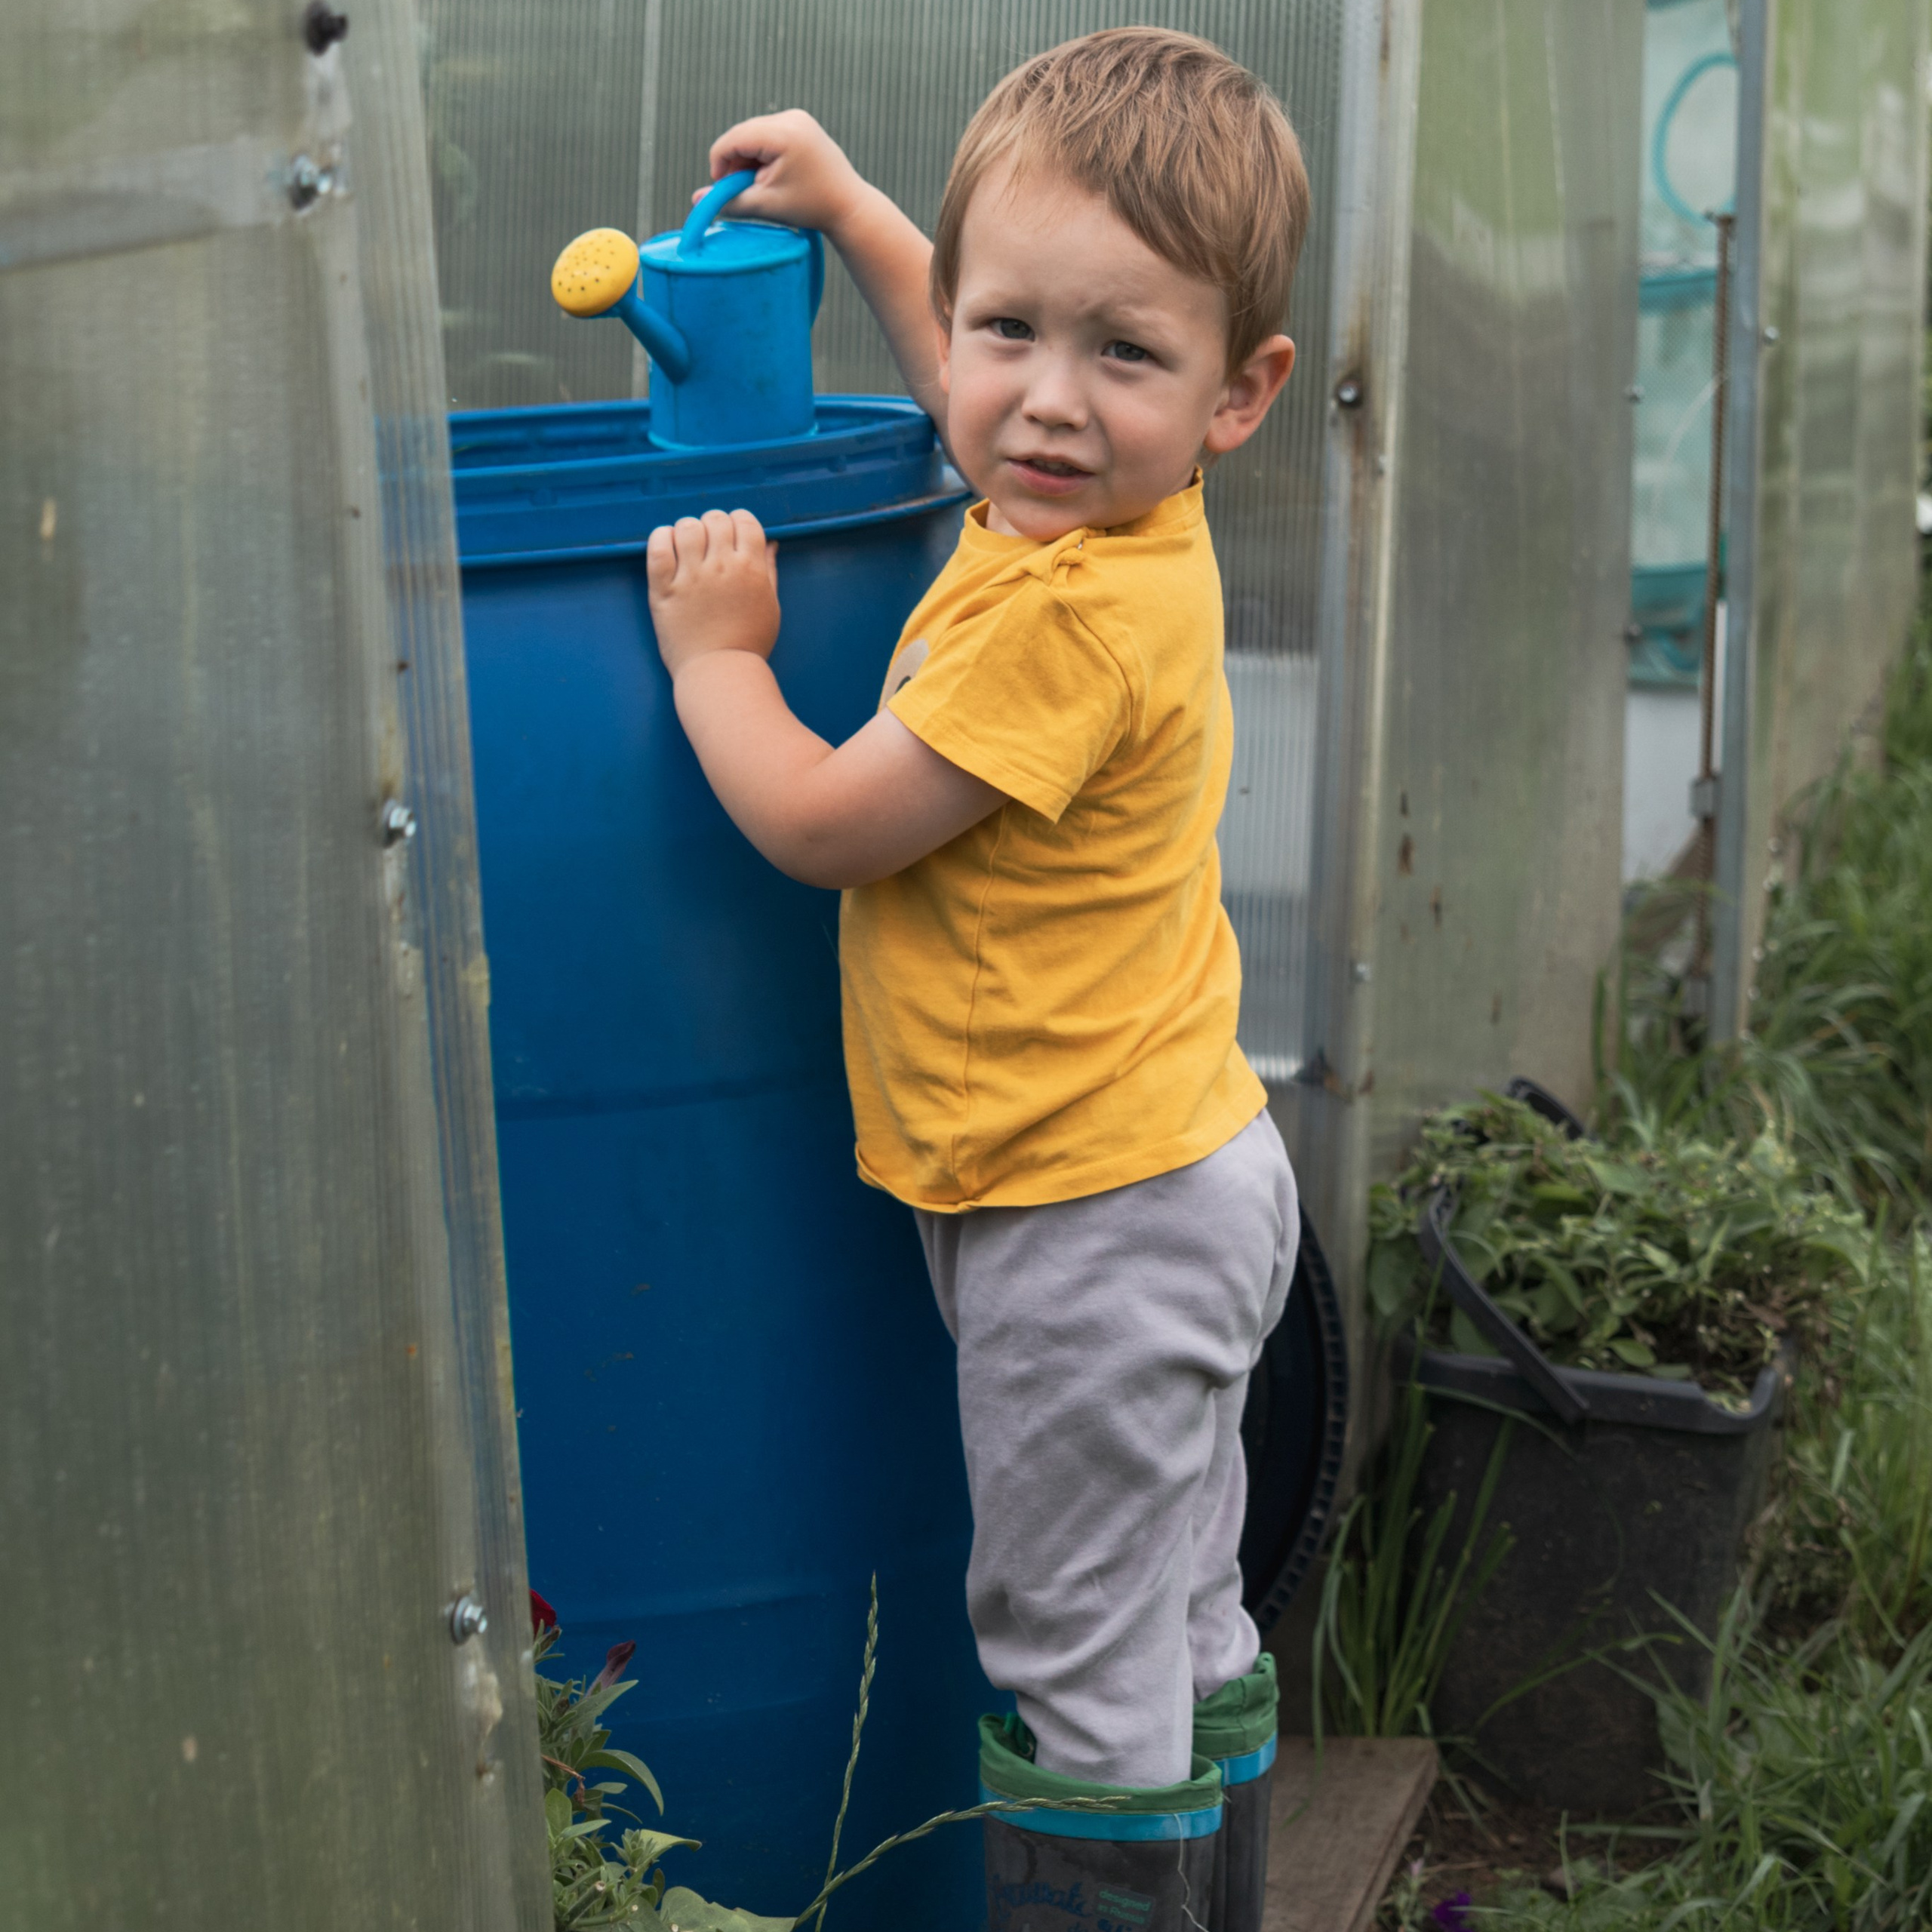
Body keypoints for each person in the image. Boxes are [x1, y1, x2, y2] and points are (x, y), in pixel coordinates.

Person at [645, 29, 1309, 1931]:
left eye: (1124, 354)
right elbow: (986, 376)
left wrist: (717, 661)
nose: (1039, 399)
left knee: (1071, 1658)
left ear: (1239, 391)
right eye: (1008, 324)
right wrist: (861, 212)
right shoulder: (1099, 502)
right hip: (1180, 1163)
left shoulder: (1069, 622)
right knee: (1172, 1608)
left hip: (1084, 1217)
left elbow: (829, 822)